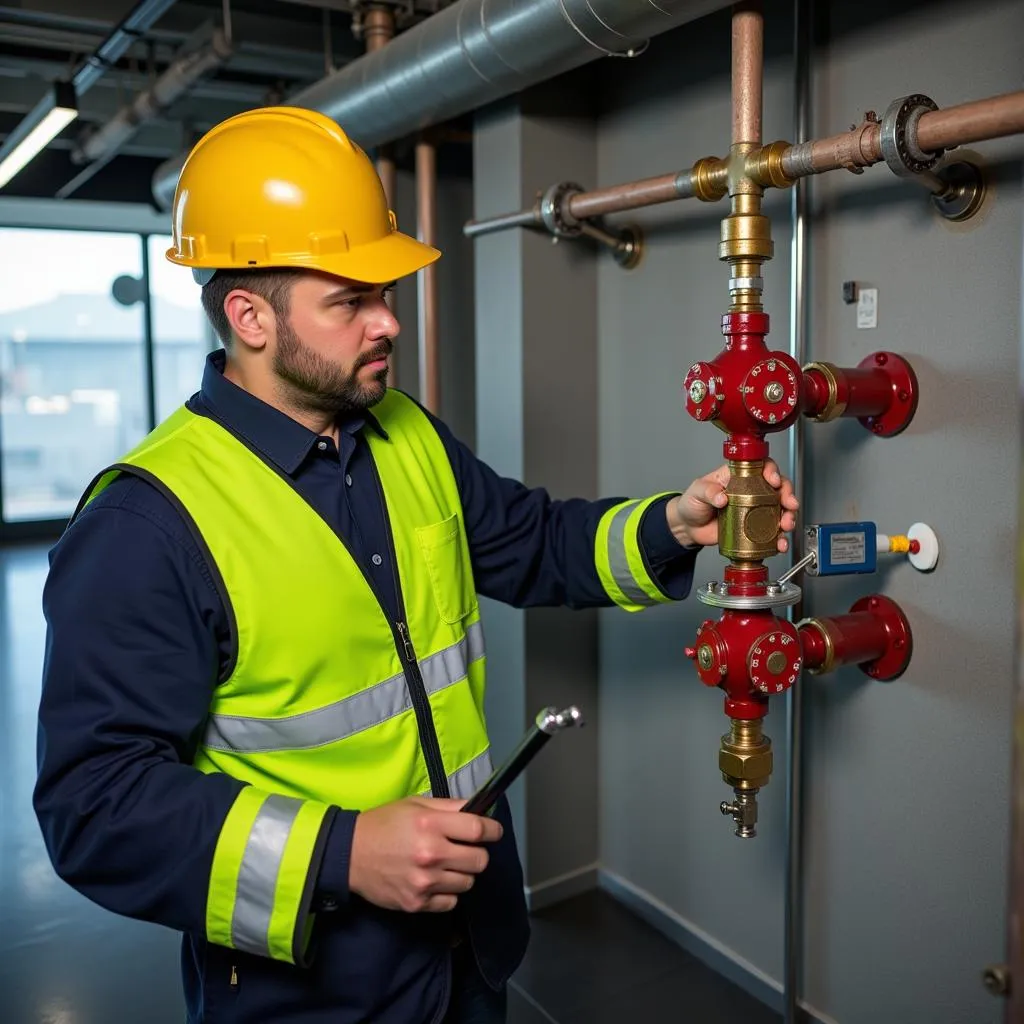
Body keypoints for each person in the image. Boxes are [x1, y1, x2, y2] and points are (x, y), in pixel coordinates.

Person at [33, 107, 798, 1024]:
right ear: (250, 317)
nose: (389, 321)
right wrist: (342, 854)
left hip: (469, 941)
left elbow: (531, 542)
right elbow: (95, 806)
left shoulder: (404, 432)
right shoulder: (146, 521)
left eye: (384, 292)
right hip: (312, 984)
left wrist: (676, 523)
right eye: (350, 299)